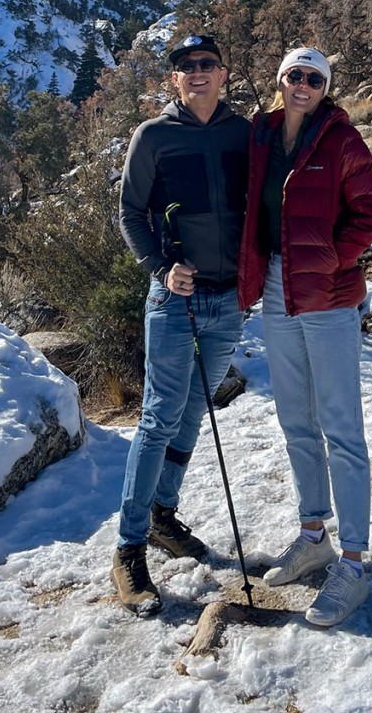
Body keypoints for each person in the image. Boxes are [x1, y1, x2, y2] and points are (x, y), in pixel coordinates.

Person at [238, 46, 372, 627]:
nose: (303, 85)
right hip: (276, 289)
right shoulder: (261, 137)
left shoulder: (343, 142)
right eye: (294, 76)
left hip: (327, 295)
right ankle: (313, 534)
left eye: (314, 79)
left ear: (326, 87)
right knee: (295, 420)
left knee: (341, 426)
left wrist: (332, 256)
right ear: (279, 81)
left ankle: (351, 564)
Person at [113, 33, 251, 616]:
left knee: (194, 408)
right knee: (158, 416)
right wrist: (162, 266)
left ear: (223, 74)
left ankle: (162, 515)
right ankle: (129, 548)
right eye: (185, 67)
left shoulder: (242, 133)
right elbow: (129, 211)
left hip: (229, 301)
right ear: (174, 80)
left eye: (206, 64)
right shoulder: (154, 136)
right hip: (176, 299)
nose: (196, 72)